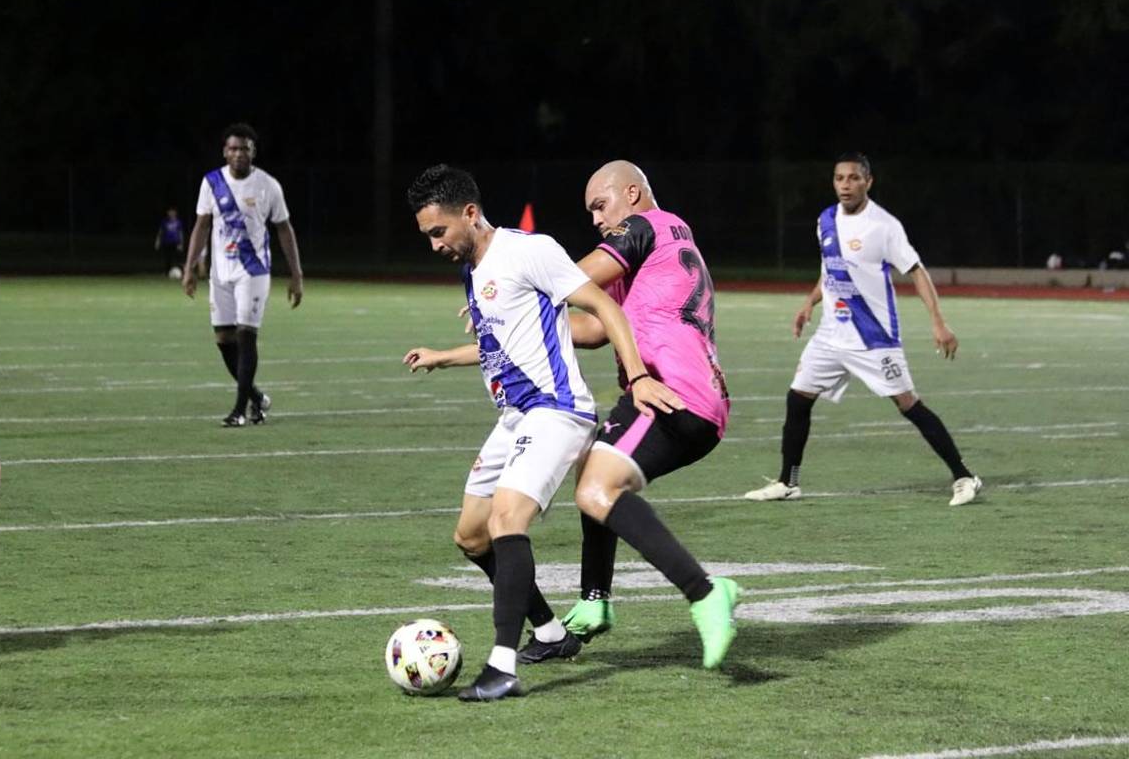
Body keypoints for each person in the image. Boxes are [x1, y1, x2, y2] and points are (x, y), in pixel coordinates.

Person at [402, 164, 684, 701]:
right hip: (516, 417)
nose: (435, 244)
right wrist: (445, 357)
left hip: (557, 410)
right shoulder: (475, 267)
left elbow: (603, 306)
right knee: (472, 535)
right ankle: (552, 633)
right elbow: (504, 344)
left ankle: (502, 666)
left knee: (509, 517)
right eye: (427, 236)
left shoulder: (528, 250)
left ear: (469, 213)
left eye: (439, 231)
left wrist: (640, 376)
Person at [519, 160, 742, 667]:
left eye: (601, 205)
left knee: (598, 488)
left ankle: (705, 592)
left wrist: (512, 294)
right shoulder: (661, 243)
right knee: (592, 464)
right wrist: (519, 332)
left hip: (667, 390)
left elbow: (571, 279)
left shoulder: (643, 227)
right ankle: (594, 601)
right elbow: (597, 329)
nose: (597, 219)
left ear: (633, 193)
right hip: (691, 393)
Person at [743, 152, 982, 506]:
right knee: (798, 398)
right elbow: (830, 270)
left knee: (907, 403)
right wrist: (810, 302)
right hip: (830, 335)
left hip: (873, 336)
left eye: (854, 178)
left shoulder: (883, 226)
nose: (845, 185)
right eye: (840, 178)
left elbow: (916, 270)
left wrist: (938, 321)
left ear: (868, 182)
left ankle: (964, 476)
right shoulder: (825, 220)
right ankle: (787, 482)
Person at [182, 123, 303, 427]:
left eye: (244, 149)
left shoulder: (268, 185)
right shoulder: (211, 182)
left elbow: (284, 229)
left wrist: (296, 274)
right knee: (224, 339)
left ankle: (239, 411)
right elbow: (201, 226)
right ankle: (257, 399)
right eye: (233, 148)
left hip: (254, 271)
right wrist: (189, 267)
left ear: (253, 152)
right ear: (225, 151)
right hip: (221, 273)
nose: (238, 154)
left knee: (246, 336)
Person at [154, 206, 185, 275]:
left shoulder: (178, 222)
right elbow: (161, 232)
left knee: (177, 258)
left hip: (176, 242)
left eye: (173, 212)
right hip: (167, 242)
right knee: (167, 258)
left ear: (175, 213)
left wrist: (181, 243)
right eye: (170, 212)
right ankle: (167, 272)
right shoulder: (165, 222)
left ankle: (181, 272)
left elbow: (180, 233)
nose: (171, 213)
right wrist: (158, 241)